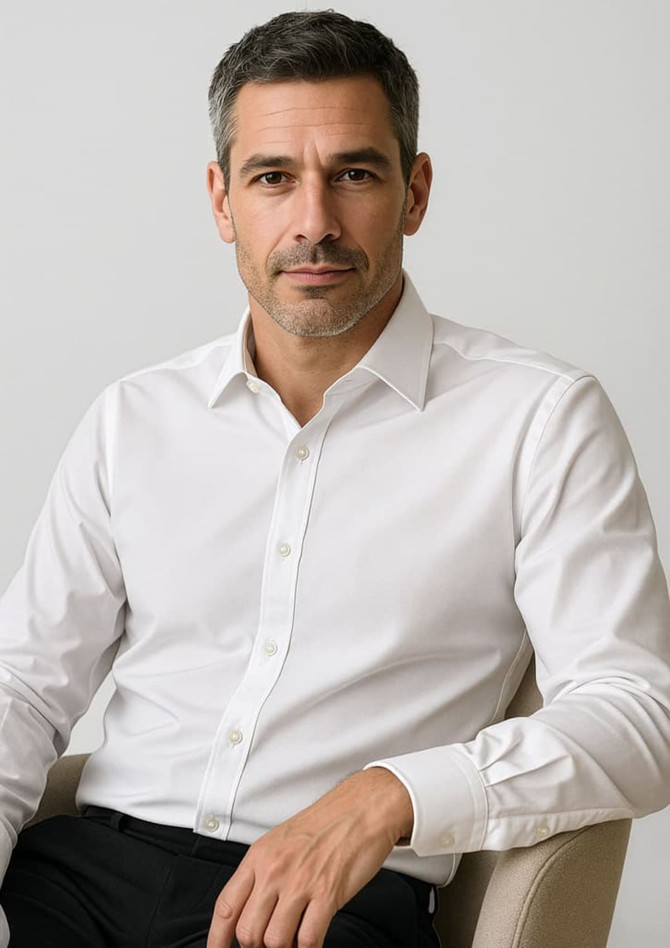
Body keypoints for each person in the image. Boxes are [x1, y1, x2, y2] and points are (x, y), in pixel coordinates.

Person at [1, 9, 669, 948]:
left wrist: (390, 795)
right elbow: (23, 686)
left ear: (415, 192)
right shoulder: (133, 418)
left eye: (353, 174)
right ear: (223, 200)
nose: (313, 222)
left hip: (318, 914)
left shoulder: (540, 419)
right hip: (72, 877)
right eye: (273, 178)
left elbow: (639, 717)